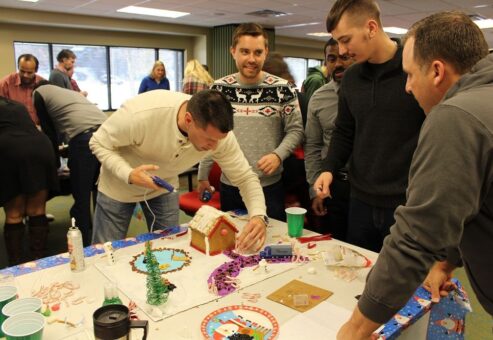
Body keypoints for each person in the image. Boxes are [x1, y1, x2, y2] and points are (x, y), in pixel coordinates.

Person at [336, 11, 493, 338]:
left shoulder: (457, 116)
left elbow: (417, 237)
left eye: (409, 75)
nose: (407, 87)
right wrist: (445, 262)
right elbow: (465, 202)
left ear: (437, 71)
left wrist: (355, 329)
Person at [89, 89, 268, 252]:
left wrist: (258, 215)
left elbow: (245, 177)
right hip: (118, 186)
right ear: (189, 120)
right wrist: (128, 173)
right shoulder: (141, 114)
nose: (214, 148)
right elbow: (97, 142)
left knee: (167, 248)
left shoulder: (218, 136)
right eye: (209, 140)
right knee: (105, 252)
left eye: (218, 141)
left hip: (164, 186)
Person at [314, 0, 425, 252]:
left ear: (371, 28)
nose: (341, 51)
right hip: (360, 200)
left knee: (402, 283)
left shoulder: (413, 69)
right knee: (358, 280)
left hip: (405, 204)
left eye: (346, 40)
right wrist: (329, 168)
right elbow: (344, 131)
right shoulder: (351, 78)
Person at [197, 23, 304, 222]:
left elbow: (296, 130)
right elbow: (209, 135)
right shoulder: (219, 89)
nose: (251, 59)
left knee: (270, 244)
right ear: (233, 52)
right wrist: (203, 175)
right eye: (245, 52)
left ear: (266, 53)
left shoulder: (283, 90)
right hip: (230, 186)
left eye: (257, 52)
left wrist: (278, 155)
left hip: (269, 188)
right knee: (232, 247)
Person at [33, 82, 107, 246]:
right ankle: (101, 240)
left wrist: (53, 166)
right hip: (106, 134)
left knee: (81, 196)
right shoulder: (69, 93)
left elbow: (49, 132)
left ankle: (84, 246)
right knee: (99, 191)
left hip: (84, 139)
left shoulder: (38, 93)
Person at [304, 41, 355, 240]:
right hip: (334, 185)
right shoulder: (318, 98)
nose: (337, 64)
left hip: (365, 187)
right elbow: (313, 146)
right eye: (331, 59)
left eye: (344, 57)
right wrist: (314, 189)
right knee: (337, 247)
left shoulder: (368, 95)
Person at [0, 96, 59, 265]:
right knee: (37, 210)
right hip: (40, 145)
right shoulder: (16, 104)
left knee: (14, 214)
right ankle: (38, 261)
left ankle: (16, 265)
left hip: (8, 148)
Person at [0, 54, 45, 125]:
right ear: (18, 67)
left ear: (36, 70)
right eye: (22, 71)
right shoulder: (5, 84)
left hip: (37, 129)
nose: (25, 75)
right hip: (13, 129)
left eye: (29, 72)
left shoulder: (43, 84)